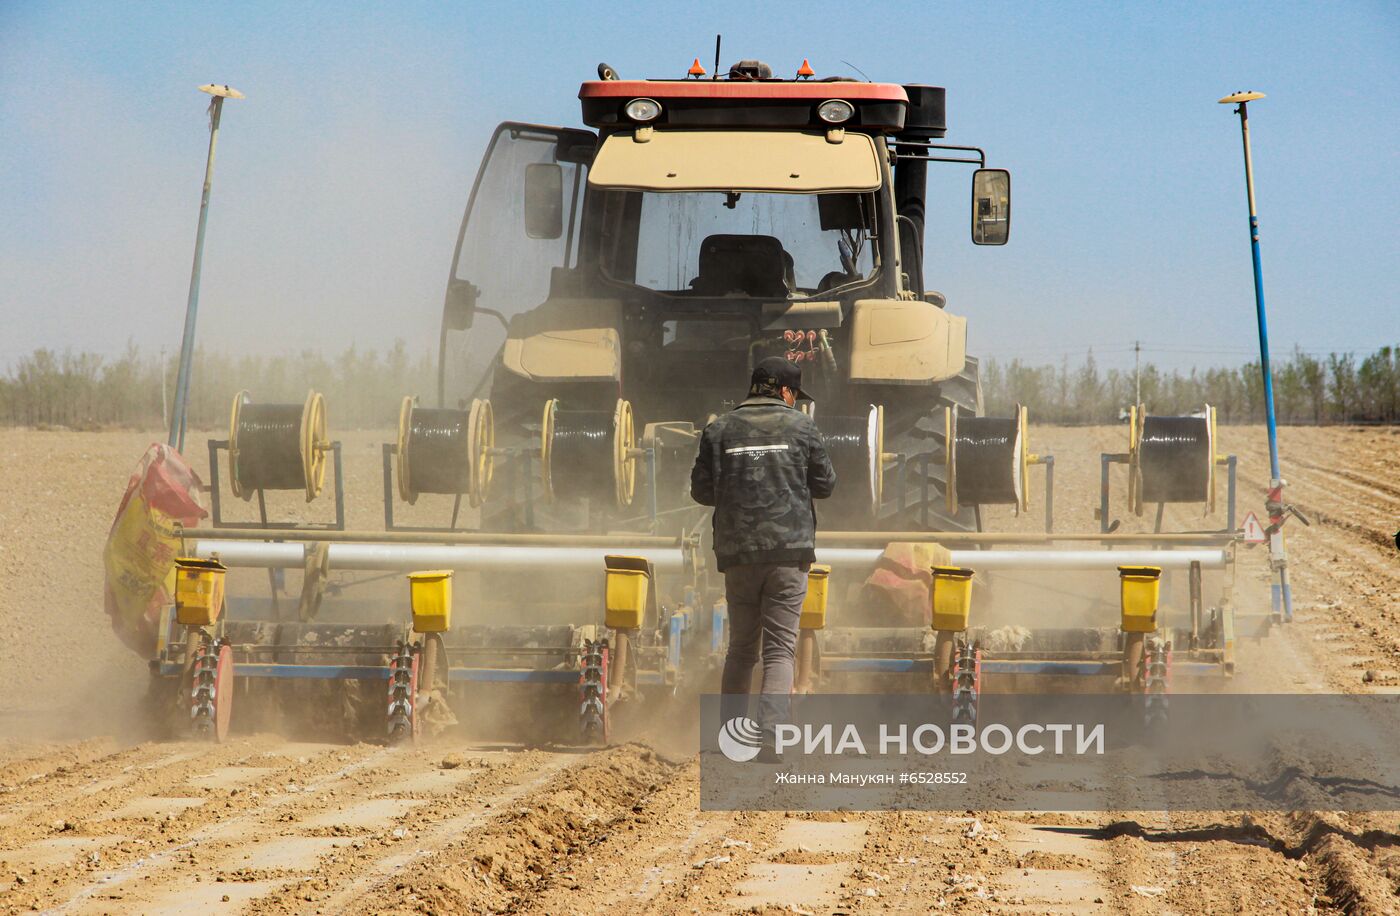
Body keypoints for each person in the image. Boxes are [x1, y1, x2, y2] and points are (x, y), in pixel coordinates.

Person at [690, 356, 836, 761]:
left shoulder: (718, 429)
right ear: (786, 392)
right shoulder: (802, 426)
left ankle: (732, 740)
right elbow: (825, 485)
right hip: (789, 556)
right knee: (779, 650)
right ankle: (771, 738)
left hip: (738, 554)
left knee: (740, 649)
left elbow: (702, 492)